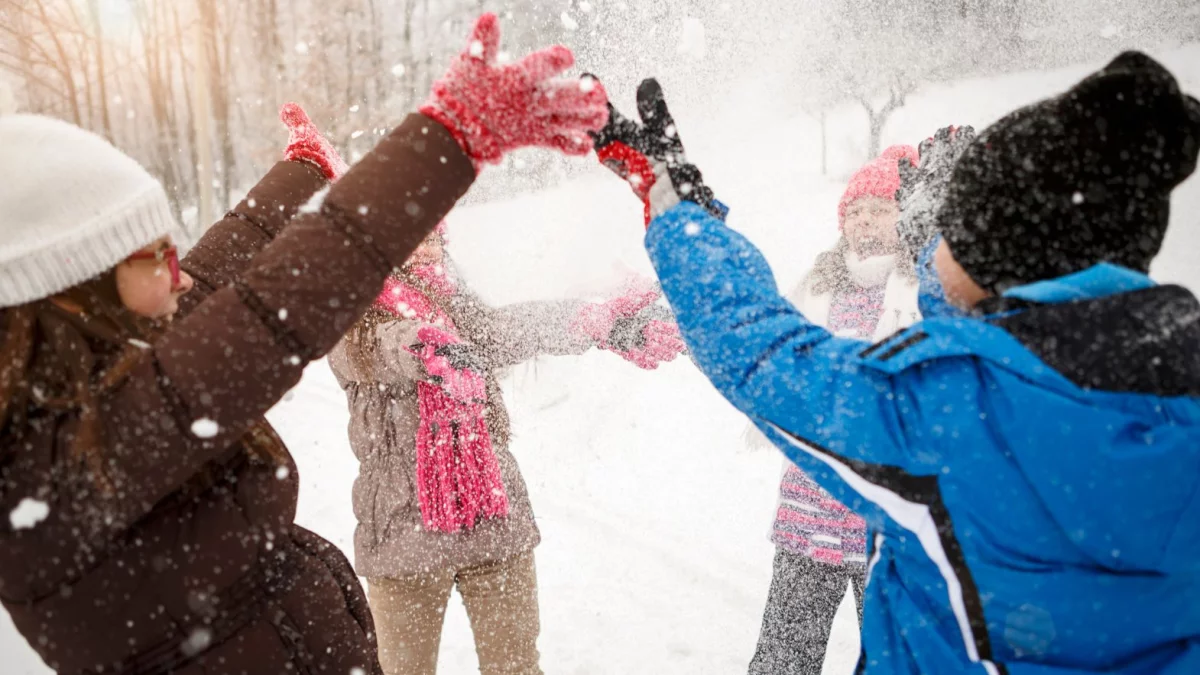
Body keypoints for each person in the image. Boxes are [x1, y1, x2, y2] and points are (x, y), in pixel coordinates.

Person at [0, 14, 608, 674]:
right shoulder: (62, 458)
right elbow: (266, 316)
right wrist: (446, 141)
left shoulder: (99, 383)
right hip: (403, 542)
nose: (177, 273)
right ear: (70, 296)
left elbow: (210, 285)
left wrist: (300, 176)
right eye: (151, 256)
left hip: (485, 527)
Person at [593, 53, 1200, 675]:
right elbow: (1006, 316)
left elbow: (763, 351)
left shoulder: (946, 406)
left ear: (991, 256)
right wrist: (935, 239)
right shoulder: (1174, 390)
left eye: (952, 232)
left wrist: (678, 209)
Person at [328, 223, 683, 675]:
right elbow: (378, 349)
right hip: (404, 537)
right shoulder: (347, 315)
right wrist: (425, 346)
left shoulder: (457, 307)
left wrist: (595, 322)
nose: (428, 247)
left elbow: (509, 327)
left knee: (517, 669)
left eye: (434, 236)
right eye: (411, 235)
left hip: (494, 519)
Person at [744, 145, 920, 675]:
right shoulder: (815, 288)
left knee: (899, 662)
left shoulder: (923, 288)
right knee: (783, 661)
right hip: (809, 509)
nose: (864, 221)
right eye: (855, 211)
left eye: (880, 209)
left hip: (888, 519)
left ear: (906, 217)